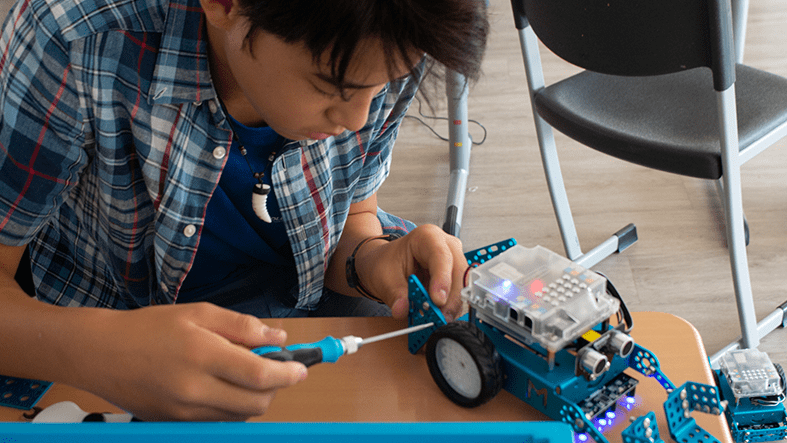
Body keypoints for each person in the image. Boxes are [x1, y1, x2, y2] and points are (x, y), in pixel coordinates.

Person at [0, 0, 487, 421]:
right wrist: (106, 353)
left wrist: (377, 260)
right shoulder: (72, 38)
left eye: (382, 87)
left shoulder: (392, 33)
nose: (357, 119)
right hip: (111, 319)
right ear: (226, 6)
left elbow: (353, 219)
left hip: (303, 308)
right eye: (330, 87)